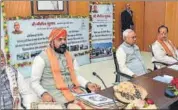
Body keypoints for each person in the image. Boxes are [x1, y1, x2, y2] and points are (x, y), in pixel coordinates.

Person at [31, 28, 101, 109]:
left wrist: (87, 84)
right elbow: (34, 83)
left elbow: (76, 76)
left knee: (95, 105)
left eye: (64, 39)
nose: (63, 42)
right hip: (55, 96)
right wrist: (43, 93)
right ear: (52, 41)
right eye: (59, 40)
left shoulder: (70, 56)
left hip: (73, 92)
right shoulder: (41, 58)